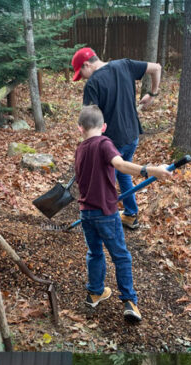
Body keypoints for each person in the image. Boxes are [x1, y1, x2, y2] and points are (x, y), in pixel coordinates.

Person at [75, 104, 173, 324]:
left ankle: (95, 293)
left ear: (80, 128)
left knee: (95, 253)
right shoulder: (104, 143)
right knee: (121, 256)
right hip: (105, 213)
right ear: (104, 126)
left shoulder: (80, 149)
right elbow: (119, 164)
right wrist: (152, 169)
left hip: (86, 213)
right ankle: (129, 301)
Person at [72, 47, 162, 230]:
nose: (82, 78)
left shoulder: (93, 84)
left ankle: (106, 220)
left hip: (110, 143)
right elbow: (157, 68)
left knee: (106, 181)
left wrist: (88, 145)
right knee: (124, 173)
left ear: (87, 64)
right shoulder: (125, 65)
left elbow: (90, 120)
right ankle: (130, 214)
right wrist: (153, 93)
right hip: (132, 135)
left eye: (81, 73)